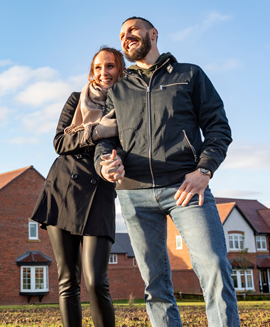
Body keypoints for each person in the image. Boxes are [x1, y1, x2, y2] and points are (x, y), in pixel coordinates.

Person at [95, 17, 240, 326]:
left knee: (214, 265)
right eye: (121, 34)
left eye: (132, 30)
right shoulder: (118, 88)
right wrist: (106, 162)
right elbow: (105, 139)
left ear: (153, 34)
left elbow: (218, 128)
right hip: (134, 194)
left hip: (186, 187)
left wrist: (204, 170)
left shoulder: (190, 75)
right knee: (155, 282)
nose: (126, 37)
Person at [31, 46, 125, 327]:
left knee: (96, 281)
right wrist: (96, 132)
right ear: (91, 72)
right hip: (63, 189)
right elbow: (60, 142)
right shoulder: (76, 99)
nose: (103, 72)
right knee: (67, 280)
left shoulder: (129, 103)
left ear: (120, 69)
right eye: (98, 67)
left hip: (100, 192)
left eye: (109, 66)